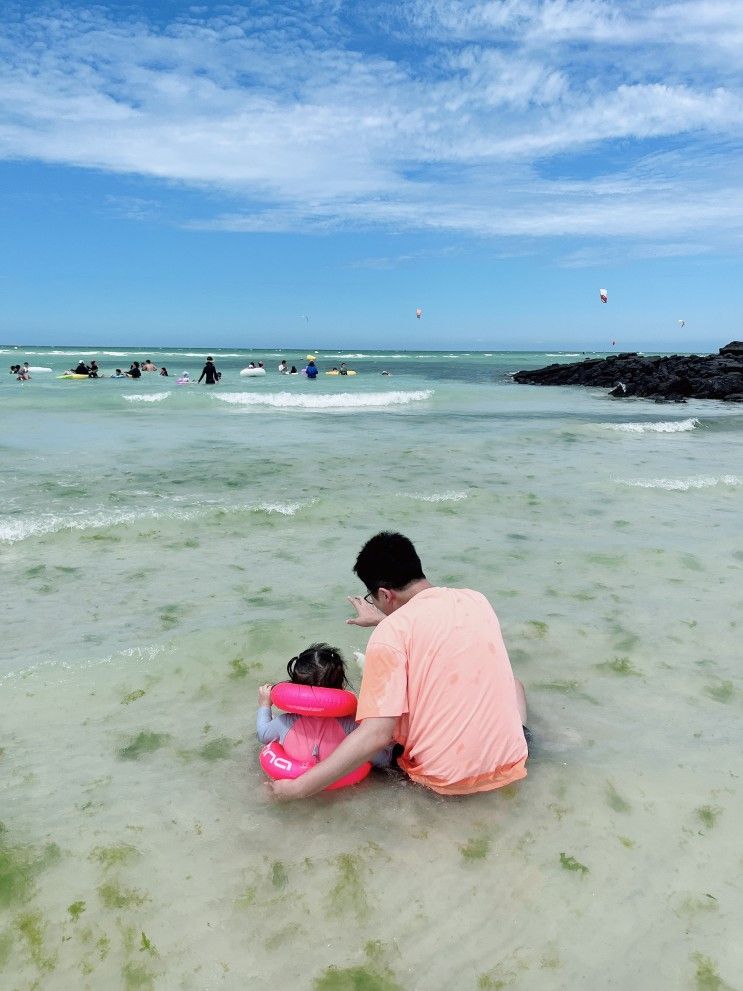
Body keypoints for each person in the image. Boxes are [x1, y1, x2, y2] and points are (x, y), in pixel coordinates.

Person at [269, 531, 529, 800]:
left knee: (377, 733)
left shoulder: (390, 634)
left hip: (446, 782)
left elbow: (376, 736)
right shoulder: (476, 600)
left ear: (384, 594)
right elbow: (436, 637)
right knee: (514, 685)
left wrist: (296, 789)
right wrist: (385, 619)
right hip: (512, 762)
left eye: (373, 598)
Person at [257, 644, 390, 769]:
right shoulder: (349, 726)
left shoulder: (285, 722)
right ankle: (365, 671)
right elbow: (382, 759)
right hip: (341, 781)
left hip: (296, 776)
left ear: (295, 687)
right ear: (341, 686)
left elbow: (262, 734)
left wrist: (265, 705)